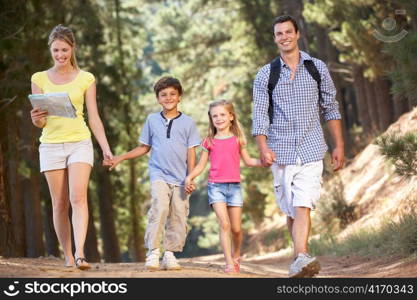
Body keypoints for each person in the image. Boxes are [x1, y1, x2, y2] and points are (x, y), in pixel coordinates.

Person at [252, 15, 345, 278]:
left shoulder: (317, 68)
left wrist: (339, 145)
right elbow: (260, 115)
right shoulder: (265, 75)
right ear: (275, 39)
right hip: (280, 152)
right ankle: (298, 258)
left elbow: (331, 108)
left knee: (303, 203)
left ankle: (301, 255)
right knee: (291, 207)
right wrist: (263, 147)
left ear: (297, 34)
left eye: (288, 32)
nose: (284, 37)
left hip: (312, 148)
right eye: (279, 34)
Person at [30, 25, 113, 270]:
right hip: (51, 145)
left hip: (80, 142)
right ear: (50, 49)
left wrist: (105, 148)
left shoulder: (86, 78)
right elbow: (40, 121)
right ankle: (67, 254)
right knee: (59, 203)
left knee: (78, 197)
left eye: (65, 50)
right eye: (56, 50)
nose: (60, 55)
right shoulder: (39, 78)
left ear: (72, 48)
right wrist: (36, 119)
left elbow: (94, 117)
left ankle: (80, 253)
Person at [105, 76, 200, 271]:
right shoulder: (152, 120)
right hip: (159, 174)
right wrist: (120, 157)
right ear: (157, 98)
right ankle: (153, 251)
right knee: (160, 207)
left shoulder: (189, 123)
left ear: (179, 97)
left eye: (173, 94)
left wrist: (190, 177)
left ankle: (170, 254)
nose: (168, 97)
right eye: (163, 94)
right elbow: (144, 147)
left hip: (182, 178)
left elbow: (192, 152)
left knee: (179, 215)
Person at [185, 100, 262, 273]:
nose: (218, 118)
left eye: (222, 115)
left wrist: (265, 161)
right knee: (224, 224)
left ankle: (236, 253)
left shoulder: (237, 139)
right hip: (216, 187)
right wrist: (190, 176)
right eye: (215, 116)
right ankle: (228, 262)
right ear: (211, 119)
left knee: (236, 229)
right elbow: (201, 165)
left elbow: (249, 161)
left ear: (231, 117)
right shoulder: (209, 141)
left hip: (234, 188)